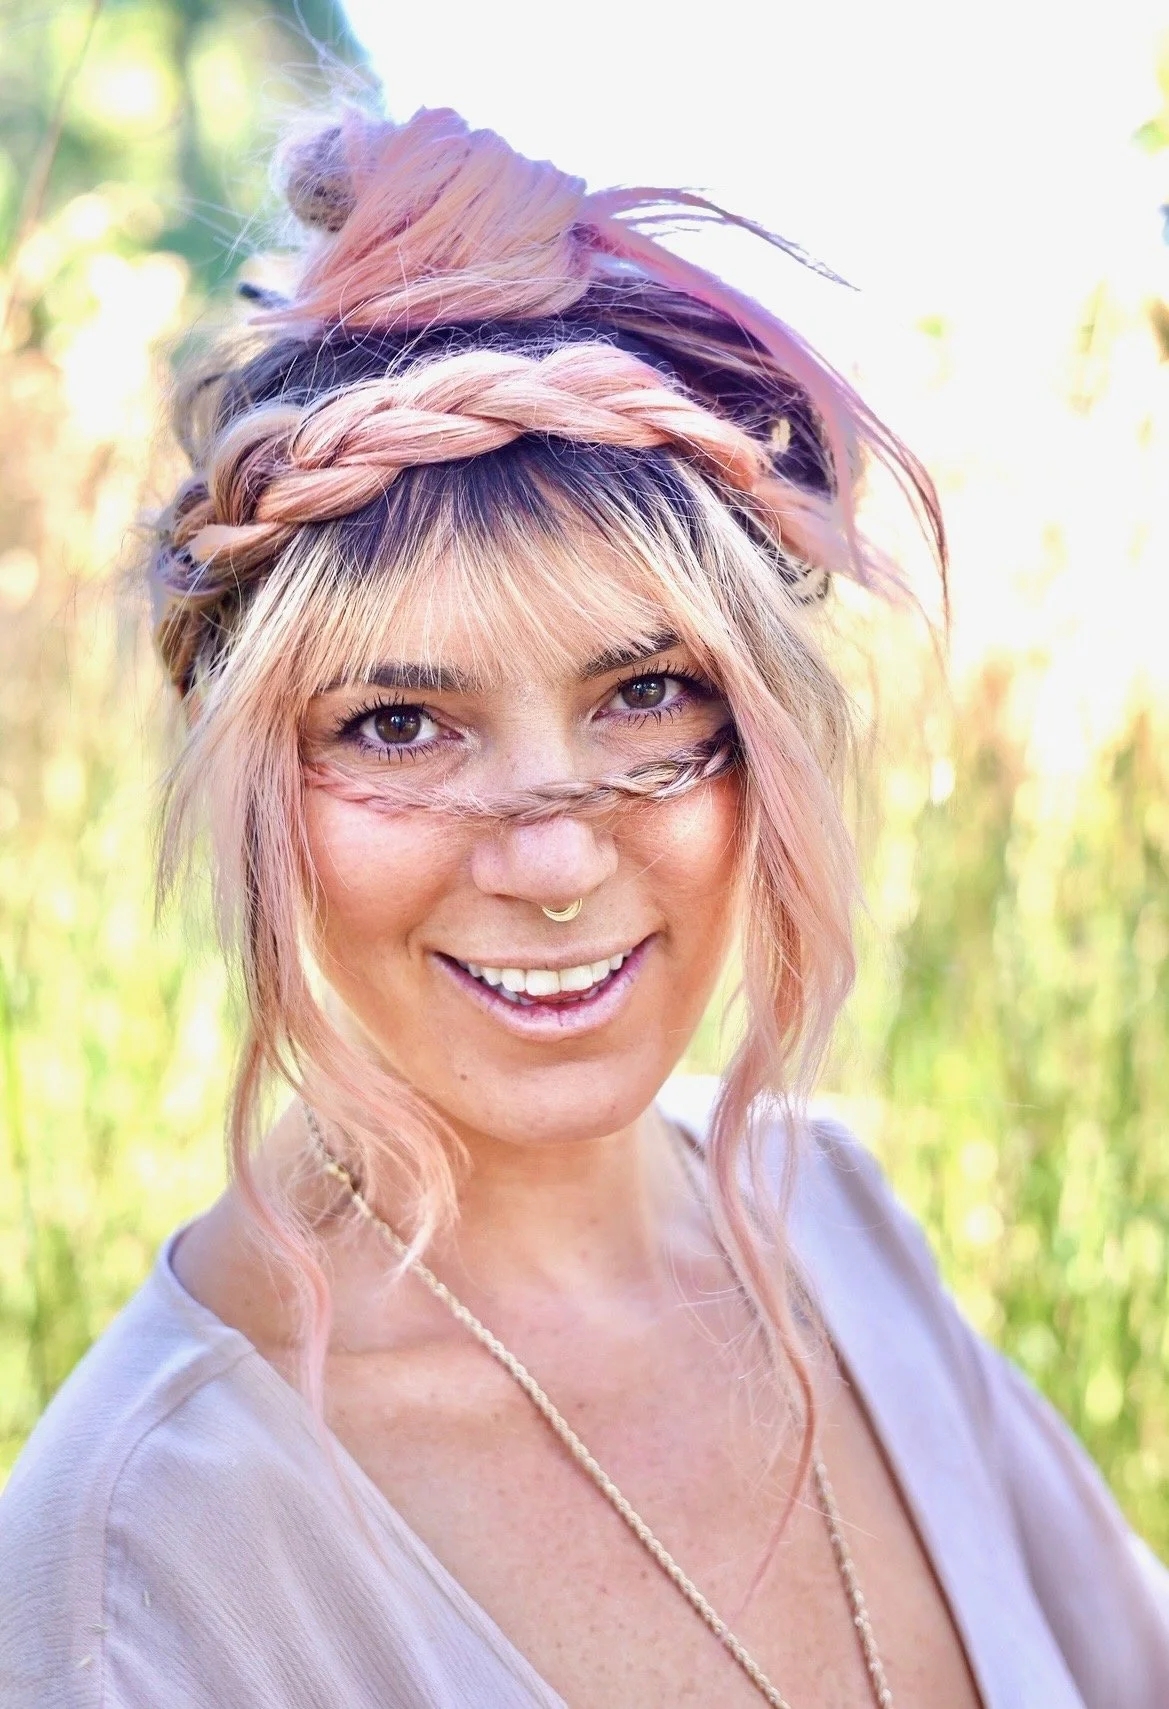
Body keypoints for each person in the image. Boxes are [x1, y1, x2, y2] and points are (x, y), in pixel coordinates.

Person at [1, 102, 1165, 1709]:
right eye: (396, 725)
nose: (552, 867)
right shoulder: (135, 1563)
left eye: (646, 697)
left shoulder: (837, 1225)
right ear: (256, 782)